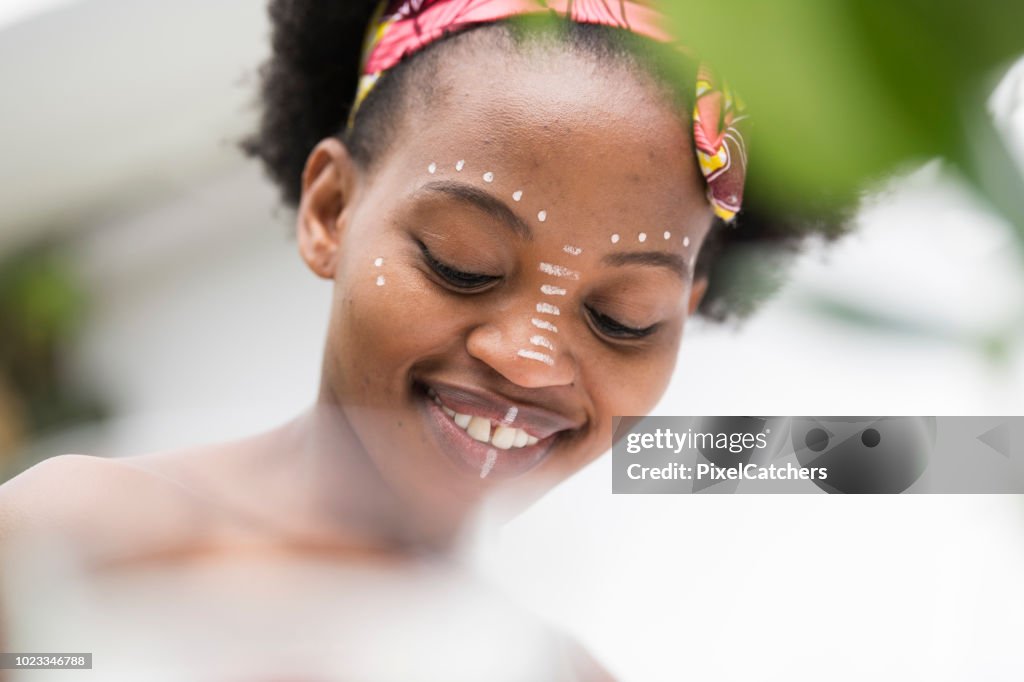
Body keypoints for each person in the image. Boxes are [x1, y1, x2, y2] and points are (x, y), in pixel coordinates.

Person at [0, 1, 845, 678]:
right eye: (460, 264)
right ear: (331, 211)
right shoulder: (73, 537)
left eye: (624, 318)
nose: (528, 360)